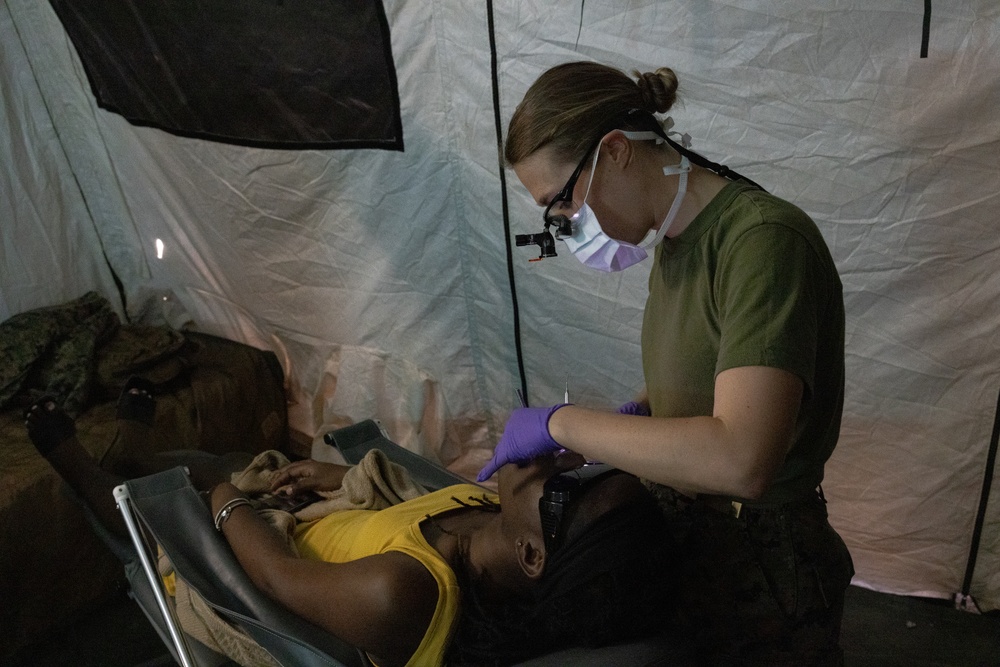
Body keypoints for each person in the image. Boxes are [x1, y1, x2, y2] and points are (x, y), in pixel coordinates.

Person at [478, 60, 855, 665]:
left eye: (561, 204)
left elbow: (742, 459)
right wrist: (632, 423)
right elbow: (701, 384)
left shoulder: (762, 243)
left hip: (764, 571)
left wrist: (562, 423)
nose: (564, 227)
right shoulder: (677, 247)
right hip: (694, 544)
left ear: (617, 151)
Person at [24, 383, 679, 667]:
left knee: (163, 495)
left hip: (264, 549)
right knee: (215, 461)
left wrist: (222, 502)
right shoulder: (488, 520)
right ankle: (133, 445)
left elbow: (277, 578)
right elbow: (408, 504)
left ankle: (84, 467)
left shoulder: (406, 595)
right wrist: (335, 478)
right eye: (594, 464)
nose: (563, 457)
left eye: (568, 484)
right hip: (313, 512)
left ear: (533, 555)